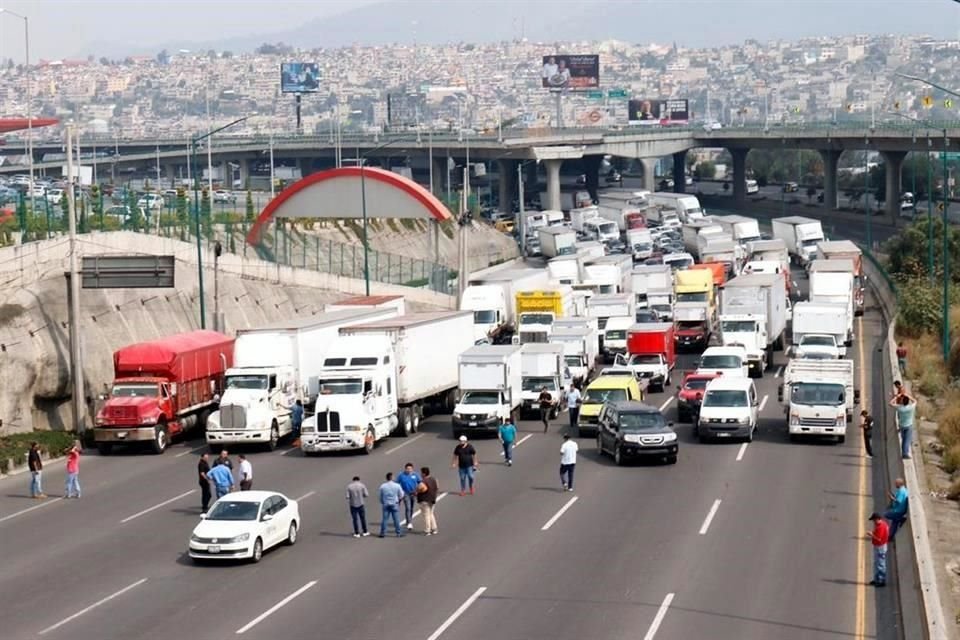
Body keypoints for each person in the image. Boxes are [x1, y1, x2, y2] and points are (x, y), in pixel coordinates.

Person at [889, 390, 916, 459]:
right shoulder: (911, 407)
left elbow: (890, 403)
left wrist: (897, 396)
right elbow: (915, 401)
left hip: (901, 425)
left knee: (904, 439)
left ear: (902, 402)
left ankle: (904, 452)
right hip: (909, 425)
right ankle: (905, 453)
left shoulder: (899, 408)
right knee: (907, 440)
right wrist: (907, 395)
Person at [378, 472, 404, 538]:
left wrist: (382, 502)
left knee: (385, 519)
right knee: (396, 519)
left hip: (386, 504)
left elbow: (380, 496)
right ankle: (398, 533)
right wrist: (399, 501)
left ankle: (382, 533)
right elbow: (401, 495)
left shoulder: (383, 486)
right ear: (392, 478)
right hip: (394, 503)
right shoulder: (397, 485)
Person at [397, 463, 422, 530]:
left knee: (411, 507)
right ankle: (409, 523)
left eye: (410, 469)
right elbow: (397, 483)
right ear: (405, 469)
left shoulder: (415, 475)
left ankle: (409, 519)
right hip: (405, 493)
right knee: (408, 507)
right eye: (407, 469)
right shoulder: (401, 475)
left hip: (413, 493)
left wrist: (418, 491)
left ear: (412, 469)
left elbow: (420, 482)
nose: (409, 470)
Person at [868, 512, 889, 587]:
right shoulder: (883, 524)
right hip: (881, 546)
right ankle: (877, 579)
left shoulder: (880, 527)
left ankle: (881, 580)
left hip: (880, 547)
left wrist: (871, 534)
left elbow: (879, 539)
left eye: (874, 520)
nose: (873, 522)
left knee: (880, 564)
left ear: (877, 519)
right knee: (877, 563)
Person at [417, 466, 439, 536]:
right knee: (431, 514)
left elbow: (422, 488)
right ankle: (434, 528)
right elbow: (437, 487)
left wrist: (417, 491)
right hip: (432, 499)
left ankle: (427, 530)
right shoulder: (434, 479)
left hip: (424, 500)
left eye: (421, 473)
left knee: (426, 515)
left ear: (424, 474)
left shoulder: (423, 481)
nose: (420, 474)